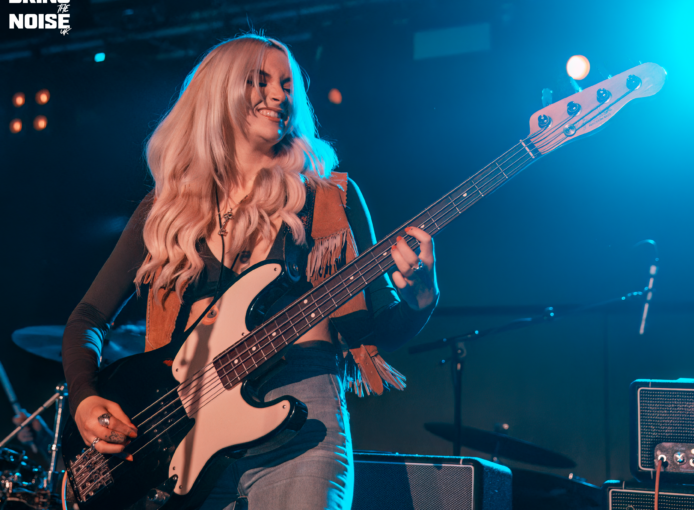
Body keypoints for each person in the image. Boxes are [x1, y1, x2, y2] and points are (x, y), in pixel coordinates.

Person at [61, 33, 439, 510]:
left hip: (302, 413)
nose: (279, 95)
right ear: (218, 92)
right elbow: (88, 317)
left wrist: (421, 298)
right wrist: (84, 397)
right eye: (260, 81)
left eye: (287, 85)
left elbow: (375, 329)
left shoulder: (328, 198)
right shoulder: (166, 208)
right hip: (185, 433)